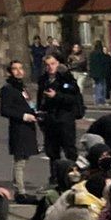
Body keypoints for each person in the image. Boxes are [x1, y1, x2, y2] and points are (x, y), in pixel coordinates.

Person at [38, 54, 84, 184]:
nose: (50, 67)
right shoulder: (43, 80)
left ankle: (75, 177)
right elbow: (40, 99)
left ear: (58, 64)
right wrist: (40, 113)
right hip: (50, 120)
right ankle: (54, 179)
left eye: (52, 64)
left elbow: (73, 99)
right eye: (47, 65)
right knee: (52, 152)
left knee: (69, 150)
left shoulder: (66, 79)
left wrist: (56, 96)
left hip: (65, 119)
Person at [0, 61, 39, 202]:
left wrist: (35, 113)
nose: (19, 71)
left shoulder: (23, 87)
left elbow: (29, 104)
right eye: (15, 69)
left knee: (24, 159)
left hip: (28, 128)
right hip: (19, 128)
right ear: (10, 71)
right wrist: (23, 116)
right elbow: (4, 110)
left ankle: (20, 190)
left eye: (21, 68)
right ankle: (20, 192)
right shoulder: (8, 89)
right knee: (20, 161)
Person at [88, 41, 110, 106]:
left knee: (96, 86)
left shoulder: (92, 54)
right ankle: (101, 100)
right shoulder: (101, 54)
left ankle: (97, 100)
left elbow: (90, 64)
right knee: (102, 86)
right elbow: (105, 63)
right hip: (101, 73)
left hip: (94, 73)